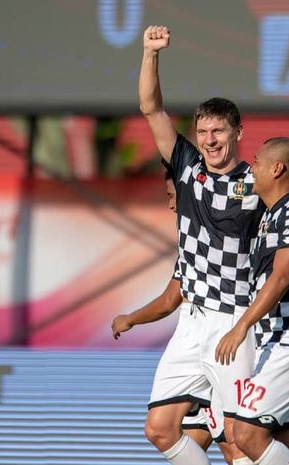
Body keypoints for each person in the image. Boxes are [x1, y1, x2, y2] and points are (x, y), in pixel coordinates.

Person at [139, 24, 289, 465]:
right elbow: (151, 109)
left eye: (219, 131)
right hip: (193, 323)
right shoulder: (186, 166)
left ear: (237, 134)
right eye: (203, 131)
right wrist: (150, 54)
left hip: (238, 321)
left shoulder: (256, 181)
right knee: (160, 429)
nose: (210, 140)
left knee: (238, 440)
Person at [215, 137, 289, 465]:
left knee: (246, 434)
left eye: (258, 162)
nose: (252, 168)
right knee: (288, 446)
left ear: (277, 168)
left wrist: (240, 328)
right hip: (277, 341)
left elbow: (282, 276)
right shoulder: (272, 213)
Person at [110, 167, 232, 463]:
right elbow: (170, 299)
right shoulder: (192, 244)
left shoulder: (236, 225)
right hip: (200, 345)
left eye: (171, 195)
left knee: (239, 444)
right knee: (181, 438)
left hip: (227, 340)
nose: (170, 204)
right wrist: (131, 318)